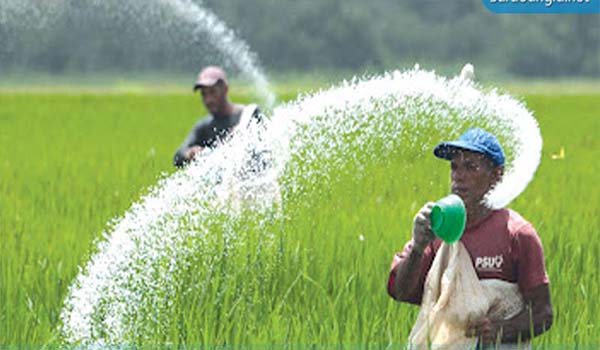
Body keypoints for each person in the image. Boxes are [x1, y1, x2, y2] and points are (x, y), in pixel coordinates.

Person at [387, 128, 553, 347]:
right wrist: (418, 247)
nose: (458, 176)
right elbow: (401, 291)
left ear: (497, 175)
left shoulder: (517, 234)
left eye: (470, 167)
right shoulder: (437, 229)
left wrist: (500, 330)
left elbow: (543, 313)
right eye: (454, 167)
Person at [173, 66, 261, 167]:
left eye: (213, 92)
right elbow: (178, 157)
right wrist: (190, 153)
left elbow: (263, 150)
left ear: (225, 89)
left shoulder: (248, 115)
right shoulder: (205, 127)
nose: (208, 100)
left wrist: (242, 136)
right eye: (204, 94)